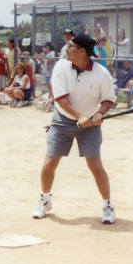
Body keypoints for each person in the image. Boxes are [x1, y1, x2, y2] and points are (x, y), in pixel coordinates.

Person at [33, 34, 116, 224]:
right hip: (62, 121)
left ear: (81, 51)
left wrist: (99, 114)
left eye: (70, 46)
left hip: (89, 127)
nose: (66, 49)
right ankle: (45, 200)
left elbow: (108, 99)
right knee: (49, 163)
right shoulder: (61, 66)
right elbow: (60, 99)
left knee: (95, 165)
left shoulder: (101, 73)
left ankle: (108, 205)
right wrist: (80, 116)